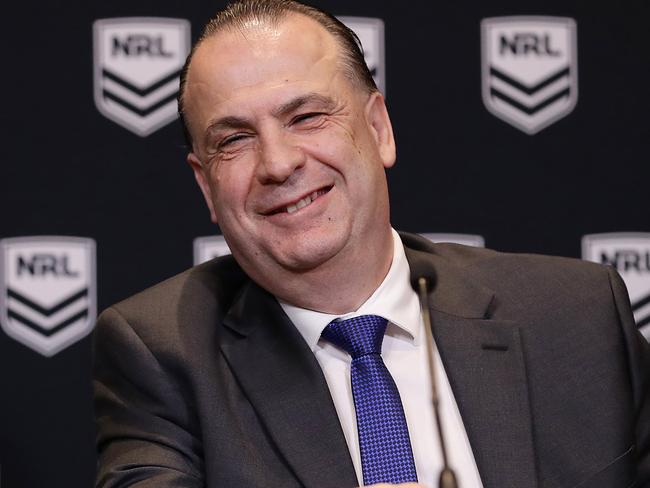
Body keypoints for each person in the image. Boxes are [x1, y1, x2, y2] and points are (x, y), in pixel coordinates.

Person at [93, 1, 650, 487]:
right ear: (205, 184)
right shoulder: (163, 352)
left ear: (379, 128)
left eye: (306, 117)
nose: (279, 163)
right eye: (235, 139)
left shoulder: (577, 313)